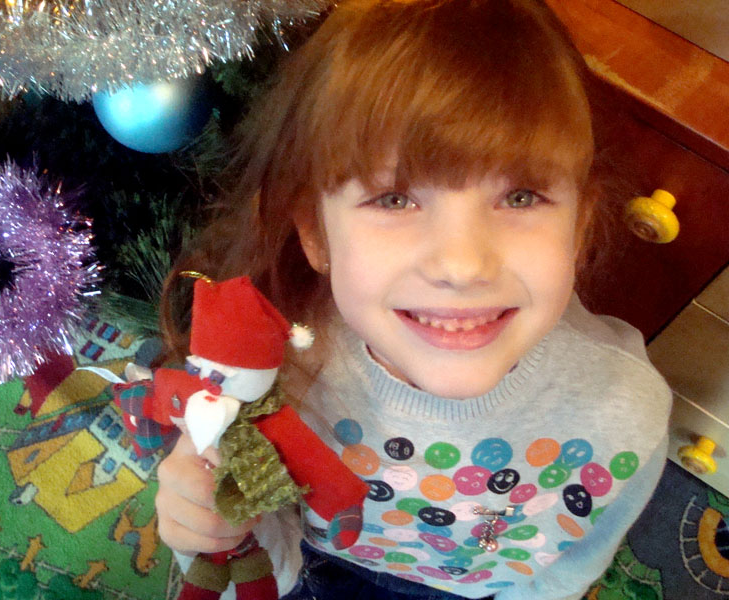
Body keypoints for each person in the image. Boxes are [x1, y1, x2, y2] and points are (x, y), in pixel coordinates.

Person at [153, 0, 672, 598]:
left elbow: (572, 563)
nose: (462, 266)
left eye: (521, 196)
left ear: (579, 229)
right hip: (319, 562)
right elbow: (260, 541)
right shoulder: (276, 371)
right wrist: (208, 522)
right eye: (394, 199)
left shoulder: (626, 413)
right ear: (316, 234)